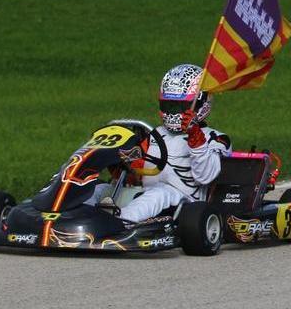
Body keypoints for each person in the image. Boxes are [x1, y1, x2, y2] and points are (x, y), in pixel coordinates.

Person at [96, 64, 231, 223]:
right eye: (168, 105)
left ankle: (119, 222)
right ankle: (75, 216)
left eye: (180, 106)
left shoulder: (216, 138)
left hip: (186, 206)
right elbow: (135, 170)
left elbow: (206, 176)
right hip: (145, 196)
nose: (173, 112)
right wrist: (119, 161)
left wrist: (195, 137)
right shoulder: (155, 133)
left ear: (201, 103)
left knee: (159, 193)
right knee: (99, 188)